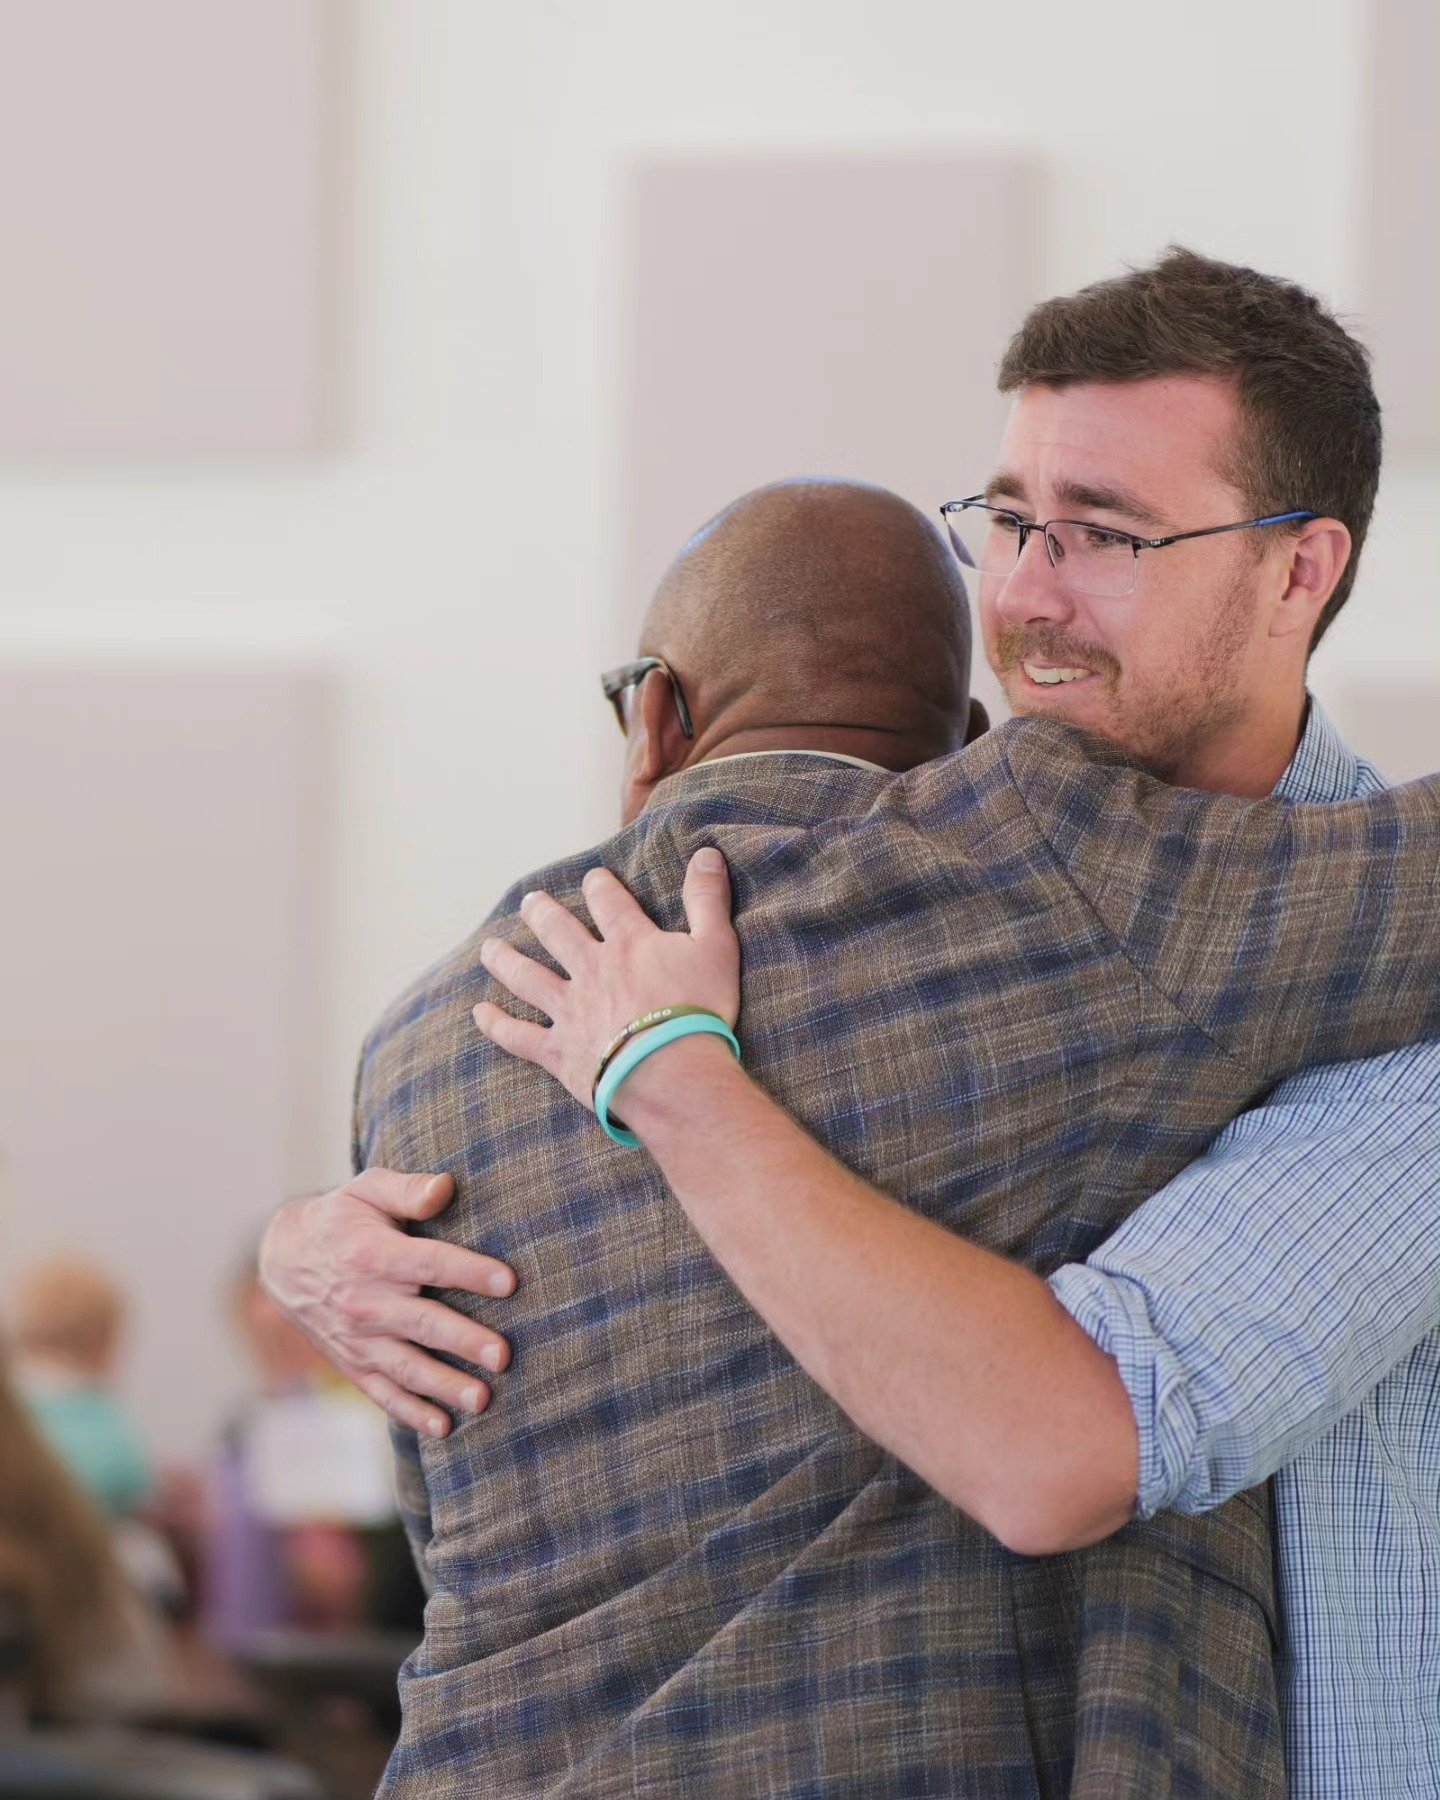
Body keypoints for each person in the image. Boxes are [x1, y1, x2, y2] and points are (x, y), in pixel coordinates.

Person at [262, 251, 1440, 1794]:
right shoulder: (914, 901)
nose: (1022, 590)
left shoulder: (1386, 1014)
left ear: (1301, 569)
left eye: (1106, 533)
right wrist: (309, 1242)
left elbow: (1062, 1448)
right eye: (1010, 521)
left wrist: (669, 1081)